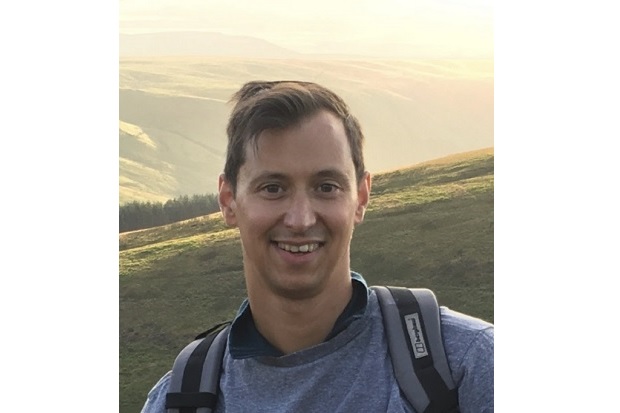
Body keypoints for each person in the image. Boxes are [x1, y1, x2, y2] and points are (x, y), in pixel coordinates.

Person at [140, 80, 494, 413]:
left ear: (361, 197)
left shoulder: (468, 364)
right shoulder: (177, 400)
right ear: (229, 200)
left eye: (326, 187)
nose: (300, 219)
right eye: (273, 188)